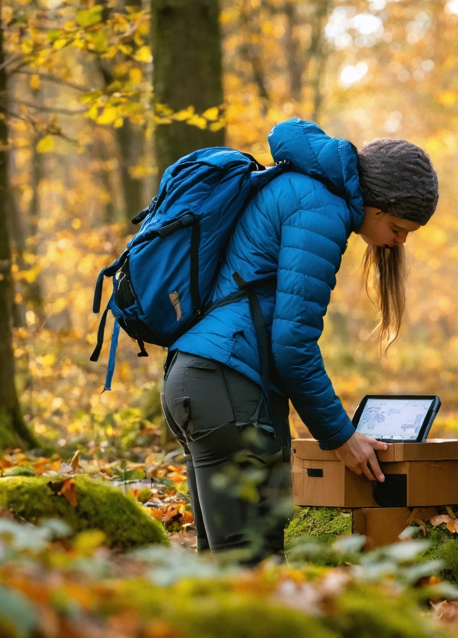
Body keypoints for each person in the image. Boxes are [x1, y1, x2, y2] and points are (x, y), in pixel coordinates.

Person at [162, 119, 438, 564]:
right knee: (254, 567)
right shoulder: (321, 210)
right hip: (229, 388)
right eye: (401, 228)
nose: (398, 241)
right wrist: (340, 437)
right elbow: (292, 344)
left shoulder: (300, 188)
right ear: (378, 206)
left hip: (195, 379)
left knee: (223, 565)